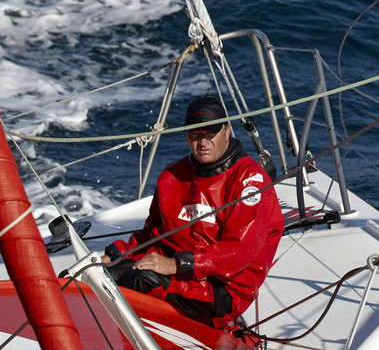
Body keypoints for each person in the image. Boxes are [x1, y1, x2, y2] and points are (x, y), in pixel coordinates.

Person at [106, 95, 284, 328]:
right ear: (186, 137)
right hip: (177, 269)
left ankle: (128, 344)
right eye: (195, 135)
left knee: (141, 279)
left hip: (222, 287)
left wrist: (176, 265)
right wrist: (115, 255)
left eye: (210, 134)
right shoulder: (172, 176)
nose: (202, 143)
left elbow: (237, 252)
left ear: (227, 130)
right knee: (106, 276)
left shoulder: (250, 181)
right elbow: (151, 234)